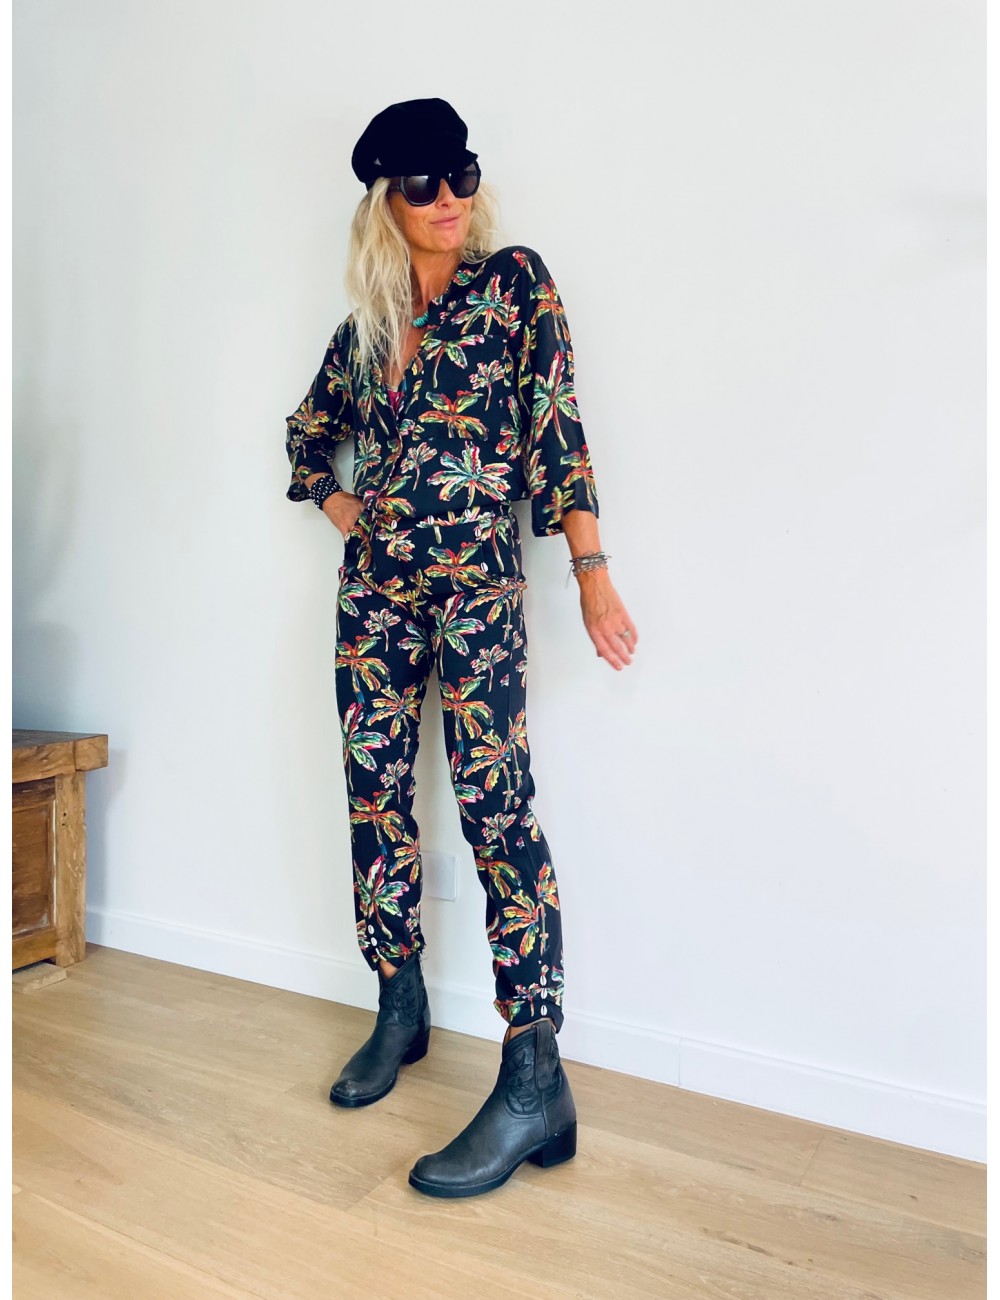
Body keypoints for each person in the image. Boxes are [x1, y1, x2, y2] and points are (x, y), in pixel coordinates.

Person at [284, 97, 638, 1198]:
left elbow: (559, 429)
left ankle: (534, 1077)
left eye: (462, 176)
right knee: (375, 799)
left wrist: (590, 566)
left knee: (496, 809)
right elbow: (305, 437)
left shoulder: (515, 285)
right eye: (423, 185)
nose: (449, 199)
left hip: (479, 591)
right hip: (375, 600)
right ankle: (399, 1005)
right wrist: (344, 510)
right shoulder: (367, 331)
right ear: (384, 203)